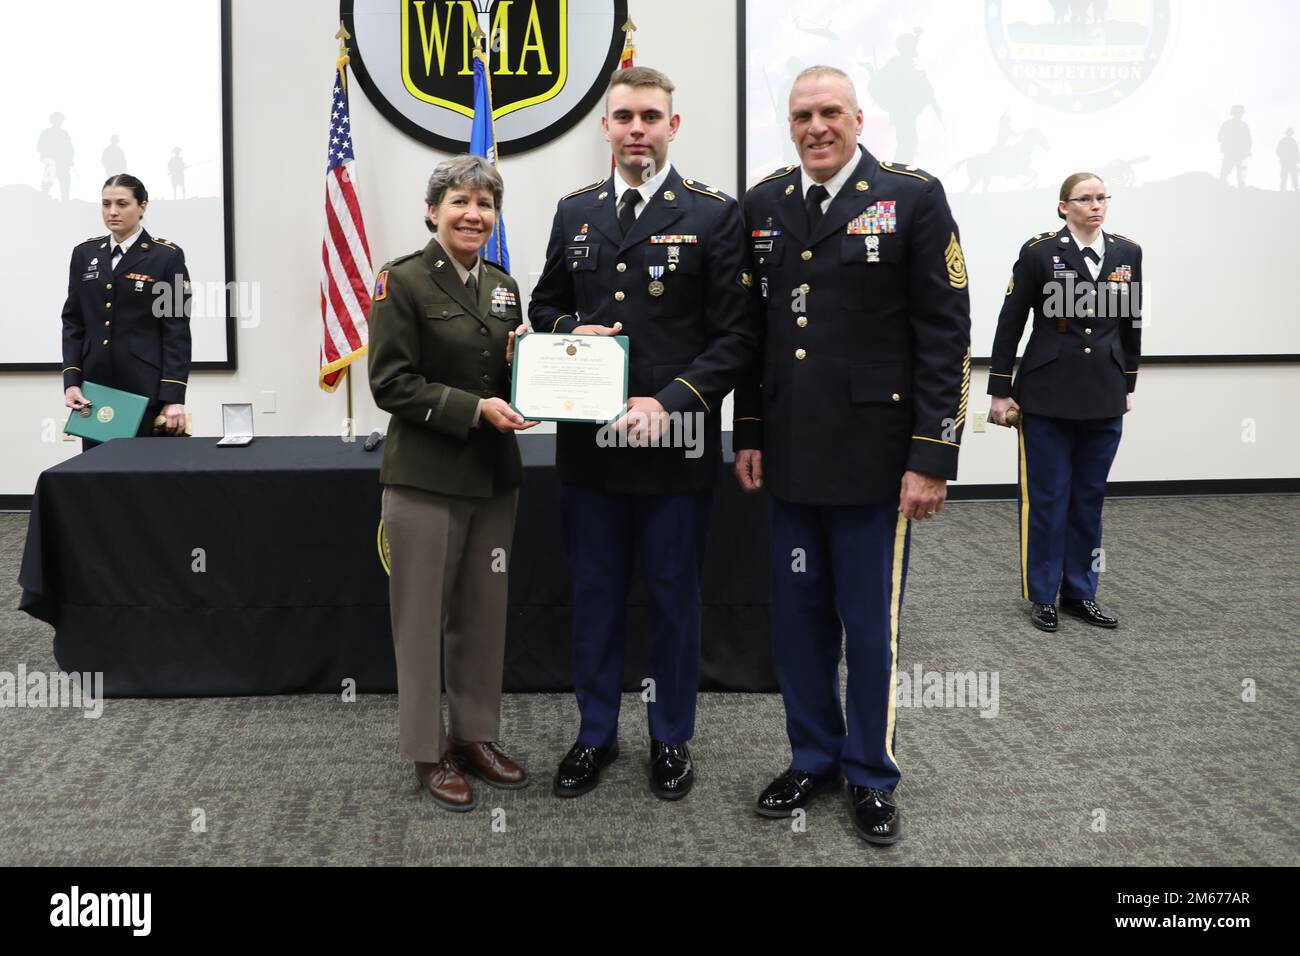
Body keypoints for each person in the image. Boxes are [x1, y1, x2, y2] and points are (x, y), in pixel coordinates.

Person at [733, 65, 971, 845]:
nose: (816, 127)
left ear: (859, 117)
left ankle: (870, 770)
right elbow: (758, 336)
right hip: (794, 460)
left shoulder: (913, 196)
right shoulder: (766, 202)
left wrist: (933, 454)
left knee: (869, 629)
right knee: (799, 623)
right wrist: (753, 432)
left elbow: (945, 335)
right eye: (802, 115)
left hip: (876, 464)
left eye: (830, 111)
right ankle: (813, 755)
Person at [527, 66, 757, 801]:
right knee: (595, 593)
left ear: (672, 126)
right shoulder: (576, 212)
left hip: (674, 447)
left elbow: (735, 337)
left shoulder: (714, 215)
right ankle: (595, 734)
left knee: (671, 598)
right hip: (590, 448)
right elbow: (543, 305)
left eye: (650, 117)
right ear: (605, 128)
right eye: (623, 116)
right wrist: (572, 330)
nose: (636, 129)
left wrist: (671, 402)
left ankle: (670, 737)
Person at [367, 155, 535, 812]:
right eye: (461, 202)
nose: (474, 214)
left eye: (486, 204)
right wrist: (475, 409)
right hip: (426, 479)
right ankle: (426, 749)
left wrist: (535, 373)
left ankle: (474, 736)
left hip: (492, 476)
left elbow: (502, 373)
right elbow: (391, 383)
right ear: (433, 210)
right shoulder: (401, 281)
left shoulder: (503, 286)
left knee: (482, 616)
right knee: (421, 621)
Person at [987, 172, 1141, 633]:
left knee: (1088, 498)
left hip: (1103, 392)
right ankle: (1043, 593)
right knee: (1048, 499)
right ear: (1063, 206)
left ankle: (1080, 591)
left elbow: (1131, 322)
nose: (1096, 206)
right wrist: (999, 389)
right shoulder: (1039, 253)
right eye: (1084, 199)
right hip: (1048, 392)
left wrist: (1127, 383)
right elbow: (1010, 322)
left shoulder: (1126, 253)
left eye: (1101, 198)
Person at [62, 174, 191, 449]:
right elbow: (74, 322)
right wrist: (72, 381)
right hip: (96, 389)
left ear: (142, 206)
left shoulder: (166, 256)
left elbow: (176, 328)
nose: (112, 212)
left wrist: (174, 395)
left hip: (146, 388)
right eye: (106, 204)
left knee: (144, 479)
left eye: (122, 203)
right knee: (97, 478)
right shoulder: (84, 254)